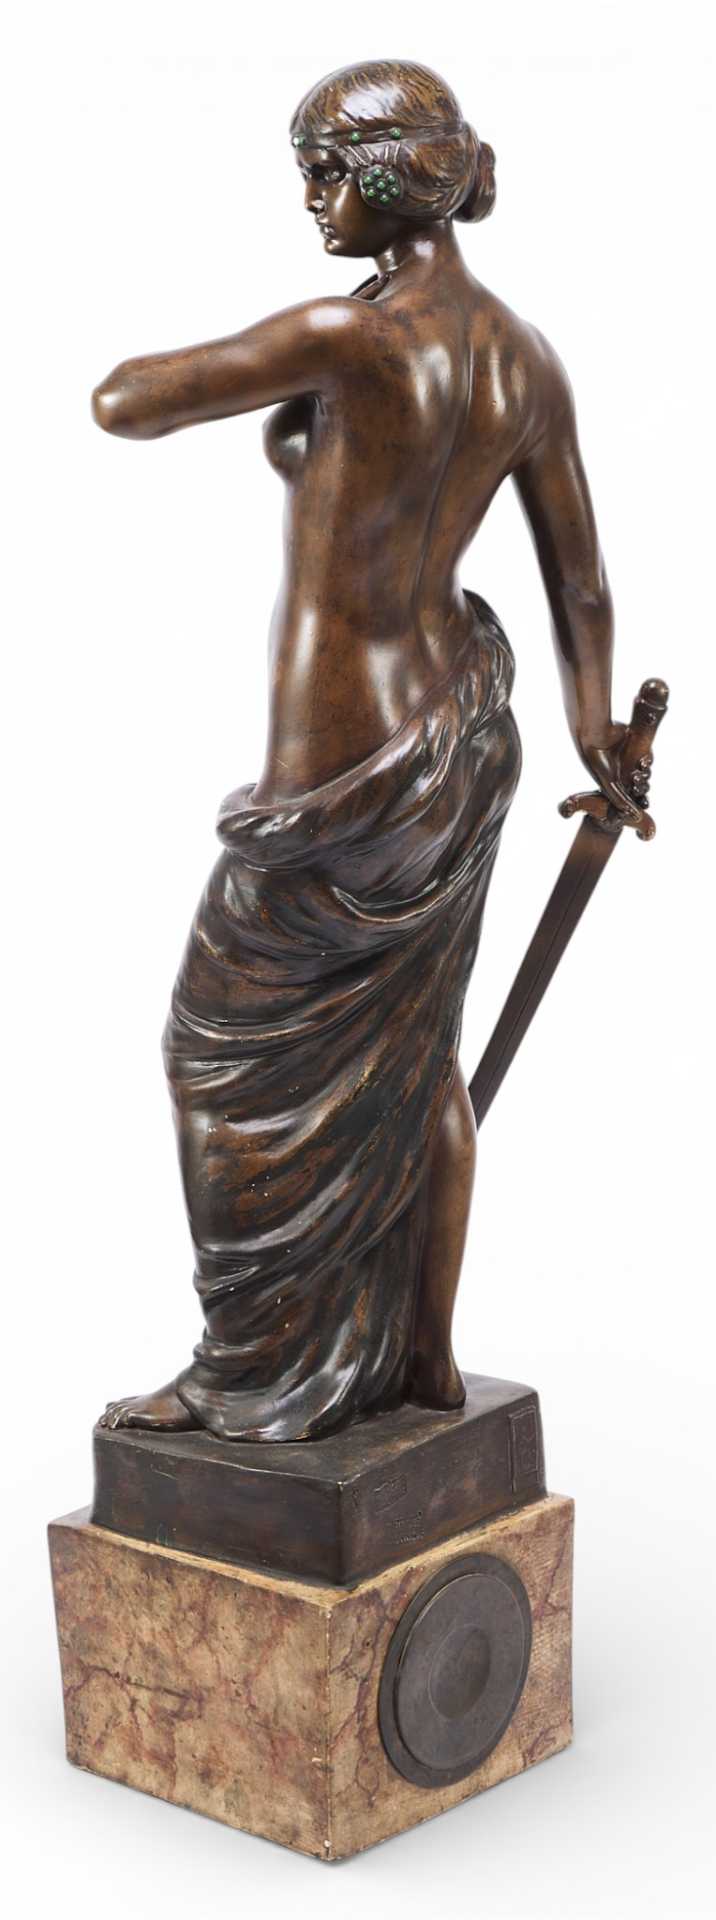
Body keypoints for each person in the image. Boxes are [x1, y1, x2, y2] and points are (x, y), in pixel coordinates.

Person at [95, 60, 642, 1441]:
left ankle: (246, 1367)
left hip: (345, 777)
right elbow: (582, 585)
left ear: (400, 175)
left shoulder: (348, 335)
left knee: (217, 1052)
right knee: (416, 1052)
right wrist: (597, 734)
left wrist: (272, 352)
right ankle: (424, 1361)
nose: (311, 199)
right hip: (459, 742)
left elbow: (124, 400)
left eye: (328, 171)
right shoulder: (525, 357)